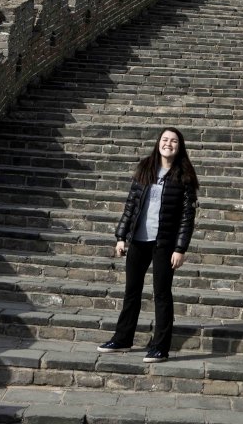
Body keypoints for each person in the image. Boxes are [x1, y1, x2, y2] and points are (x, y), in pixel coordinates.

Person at [97, 127, 199, 362]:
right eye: (165, 139)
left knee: (162, 294)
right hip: (139, 241)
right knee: (131, 291)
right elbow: (131, 205)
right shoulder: (145, 168)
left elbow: (187, 217)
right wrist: (121, 236)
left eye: (174, 141)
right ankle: (122, 339)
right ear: (158, 143)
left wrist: (180, 248)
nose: (168, 144)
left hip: (164, 243)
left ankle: (160, 347)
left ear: (179, 146)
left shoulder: (184, 176)